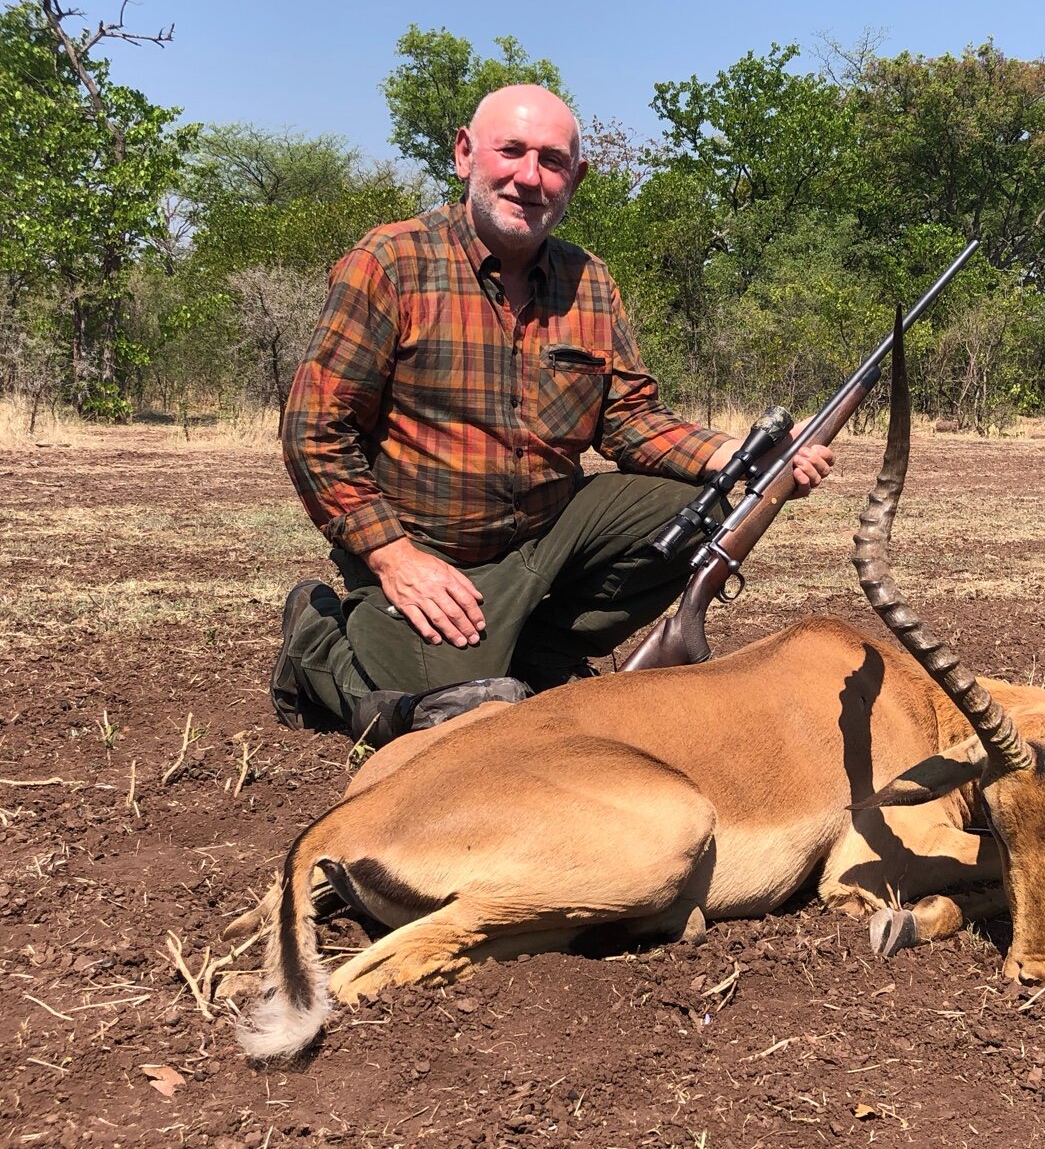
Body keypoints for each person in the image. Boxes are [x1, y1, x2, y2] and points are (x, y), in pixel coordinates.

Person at [272, 84, 834, 745]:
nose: (528, 177)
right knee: (459, 724)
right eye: (511, 151)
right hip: (426, 554)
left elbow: (630, 420)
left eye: (552, 160)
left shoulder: (589, 281)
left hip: (544, 541)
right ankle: (315, 641)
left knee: (703, 507)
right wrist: (393, 556)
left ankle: (535, 657)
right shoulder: (391, 262)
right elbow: (313, 431)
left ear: (576, 178)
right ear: (464, 155)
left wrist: (743, 456)